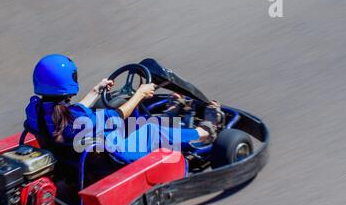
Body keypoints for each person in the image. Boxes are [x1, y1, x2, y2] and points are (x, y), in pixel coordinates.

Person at [25, 54, 216, 163]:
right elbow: (117, 115)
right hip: (110, 159)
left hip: (75, 155)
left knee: (139, 123)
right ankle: (203, 132)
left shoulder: (35, 110)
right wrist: (140, 94)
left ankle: (169, 116)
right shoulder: (78, 119)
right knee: (150, 130)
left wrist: (96, 91)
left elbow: (73, 114)